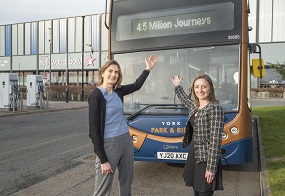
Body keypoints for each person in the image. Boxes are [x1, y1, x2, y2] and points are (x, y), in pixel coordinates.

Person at [88, 54, 158, 196]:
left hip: (126, 141)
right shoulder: (96, 96)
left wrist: (147, 69)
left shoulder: (117, 91)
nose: (114, 74)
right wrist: (103, 159)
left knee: (126, 183)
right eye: (110, 71)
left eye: (116, 72)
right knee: (103, 189)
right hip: (109, 145)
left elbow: (136, 85)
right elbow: (93, 131)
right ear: (102, 73)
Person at [172, 74, 224, 196]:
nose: (200, 90)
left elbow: (215, 141)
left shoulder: (215, 109)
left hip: (207, 158)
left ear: (210, 88)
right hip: (194, 155)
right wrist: (178, 86)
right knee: (196, 192)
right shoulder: (195, 106)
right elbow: (184, 99)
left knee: (205, 192)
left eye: (203, 87)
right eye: (196, 87)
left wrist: (211, 168)